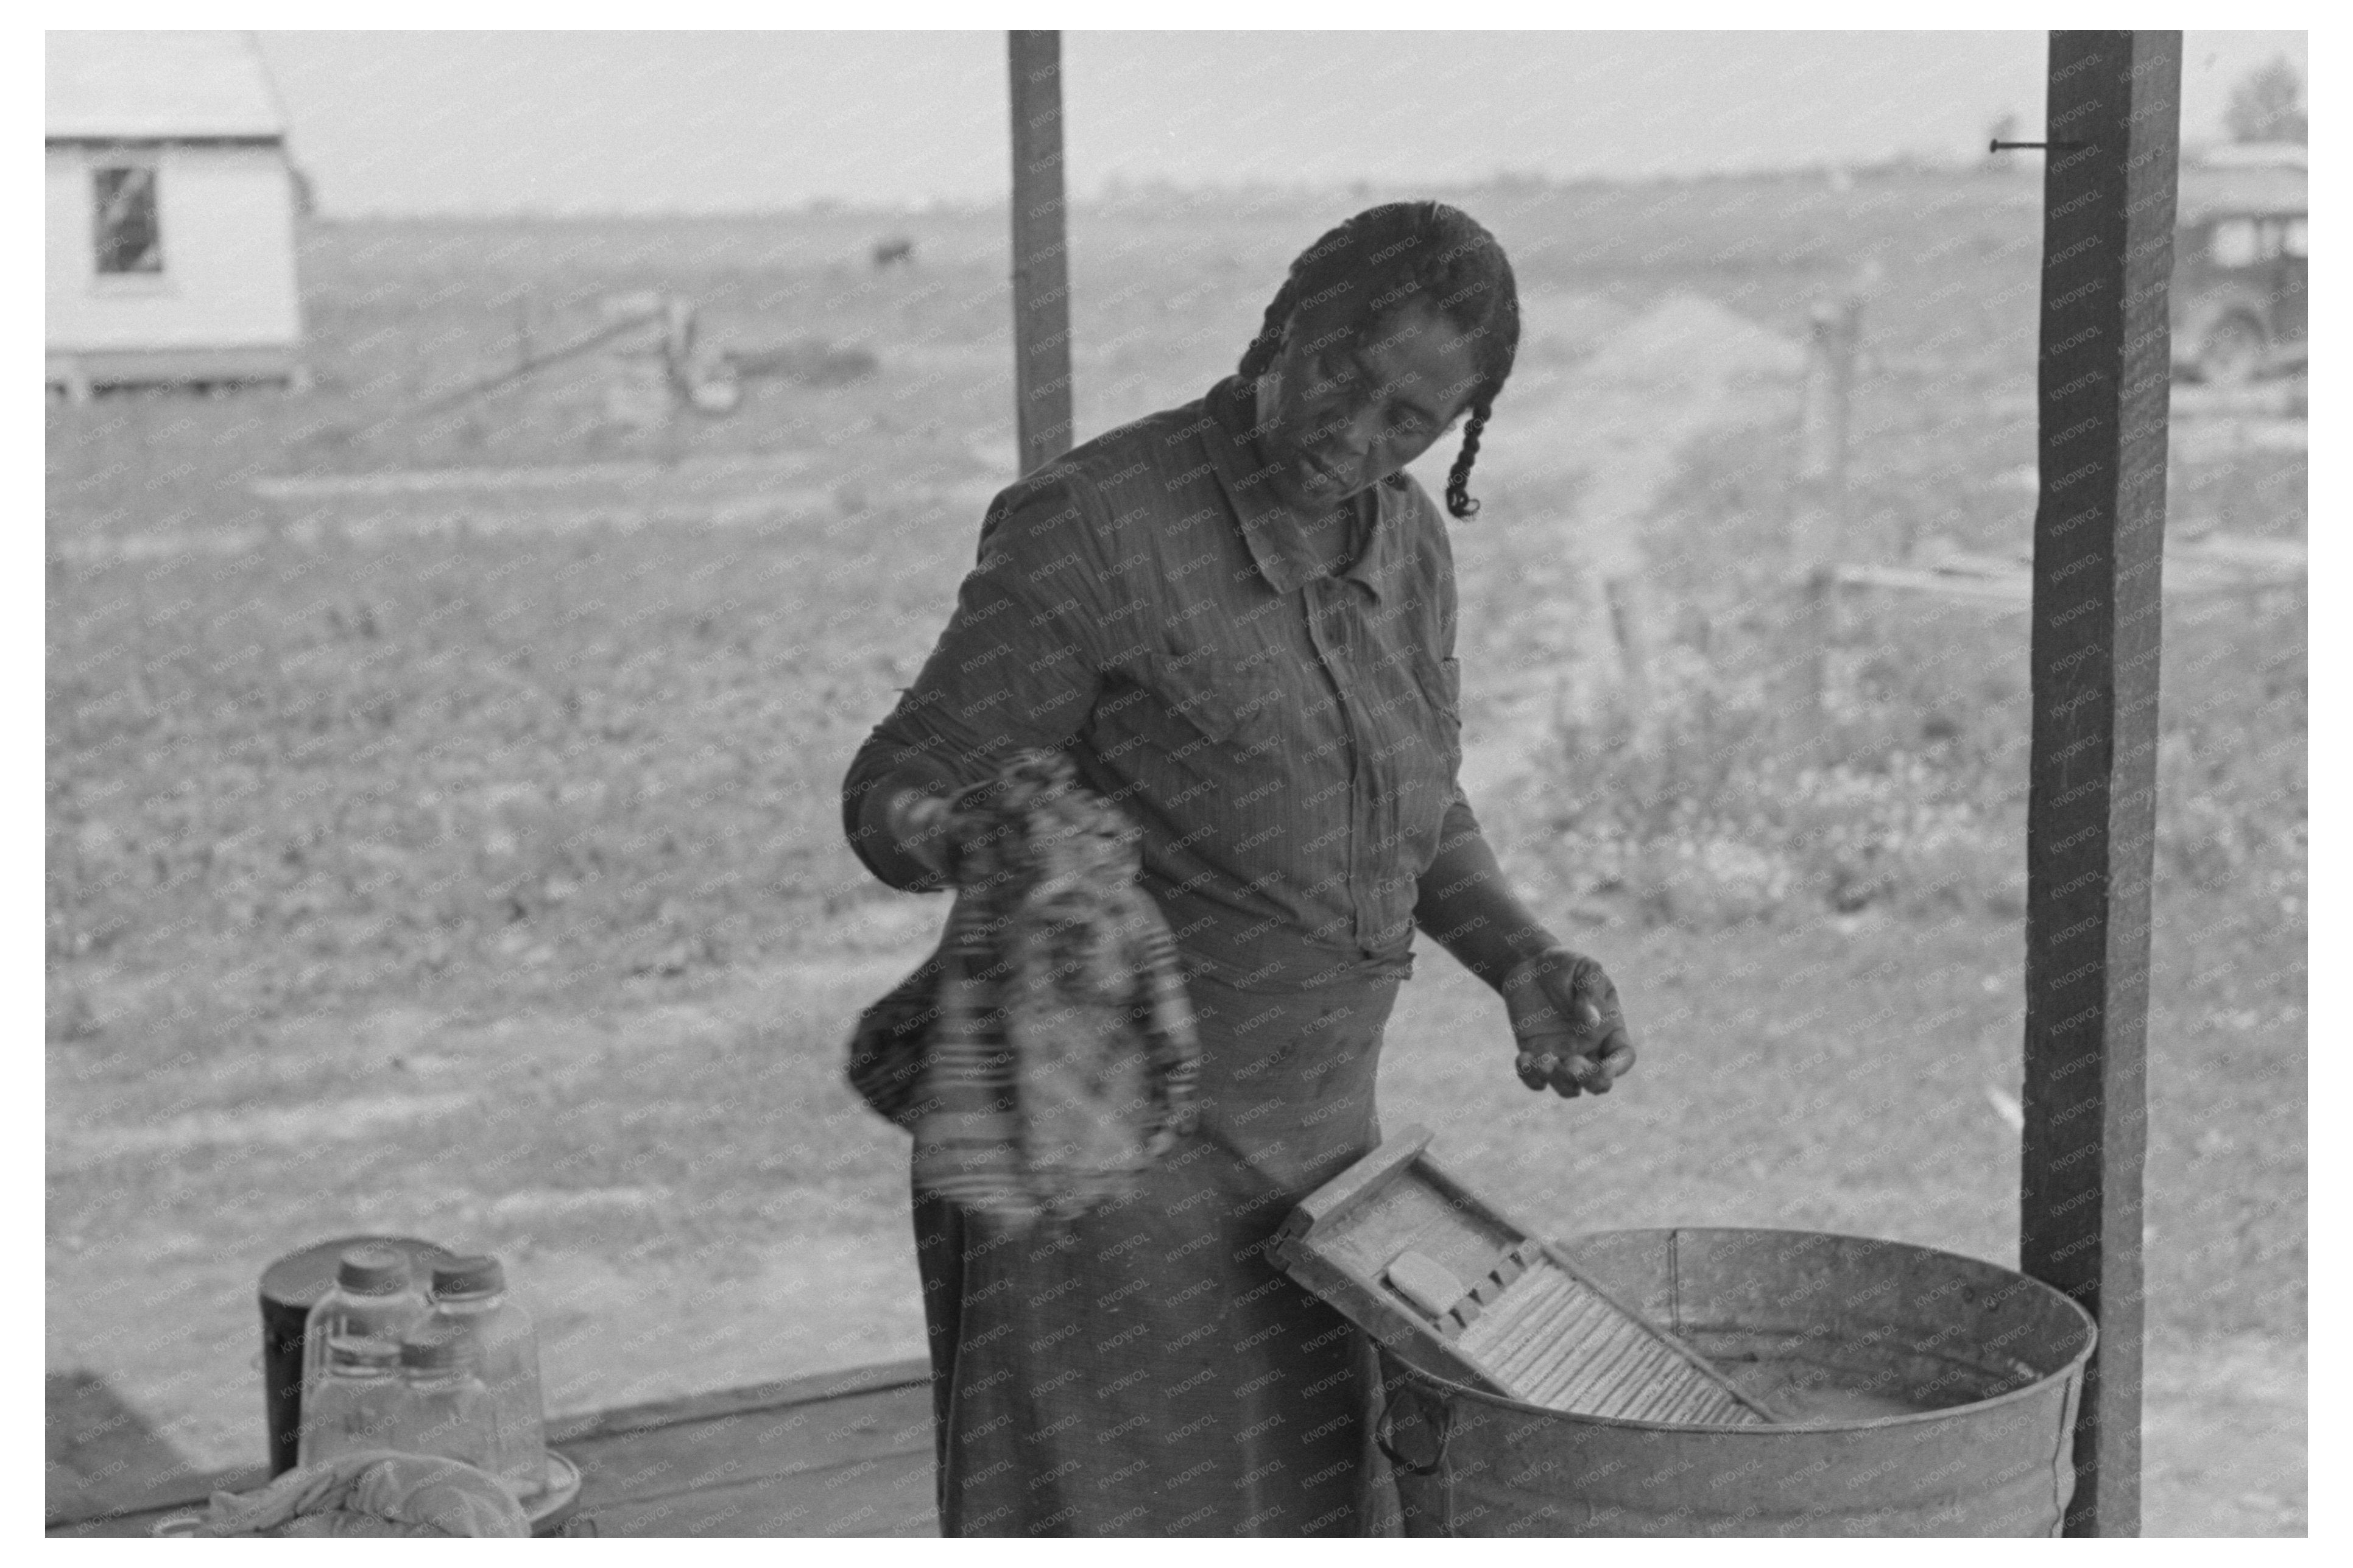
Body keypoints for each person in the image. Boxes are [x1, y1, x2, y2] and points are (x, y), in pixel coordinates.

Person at [840, 200, 1638, 1538]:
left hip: (1327, 1191)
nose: (1355, 432)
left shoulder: (1405, 542)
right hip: (1095, 1180)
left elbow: (1414, 801)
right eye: (1340, 370)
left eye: (1407, 422)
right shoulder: (1096, 527)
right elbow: (888, 794)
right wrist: (967, 837)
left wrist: (1519, 957)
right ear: (1281, 323)